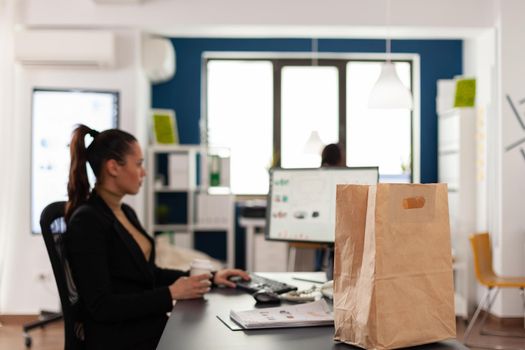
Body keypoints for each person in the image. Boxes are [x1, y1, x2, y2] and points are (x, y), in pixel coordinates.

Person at [65, 124, 249, 350]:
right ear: (113, 167)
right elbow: (102, 306)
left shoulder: (125, 212)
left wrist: (210, 277)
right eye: (139, 164)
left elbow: (148, 273)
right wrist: (171, 293)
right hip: (118, 336)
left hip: (142, 323)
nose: (144, 172)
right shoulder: (88, 221)